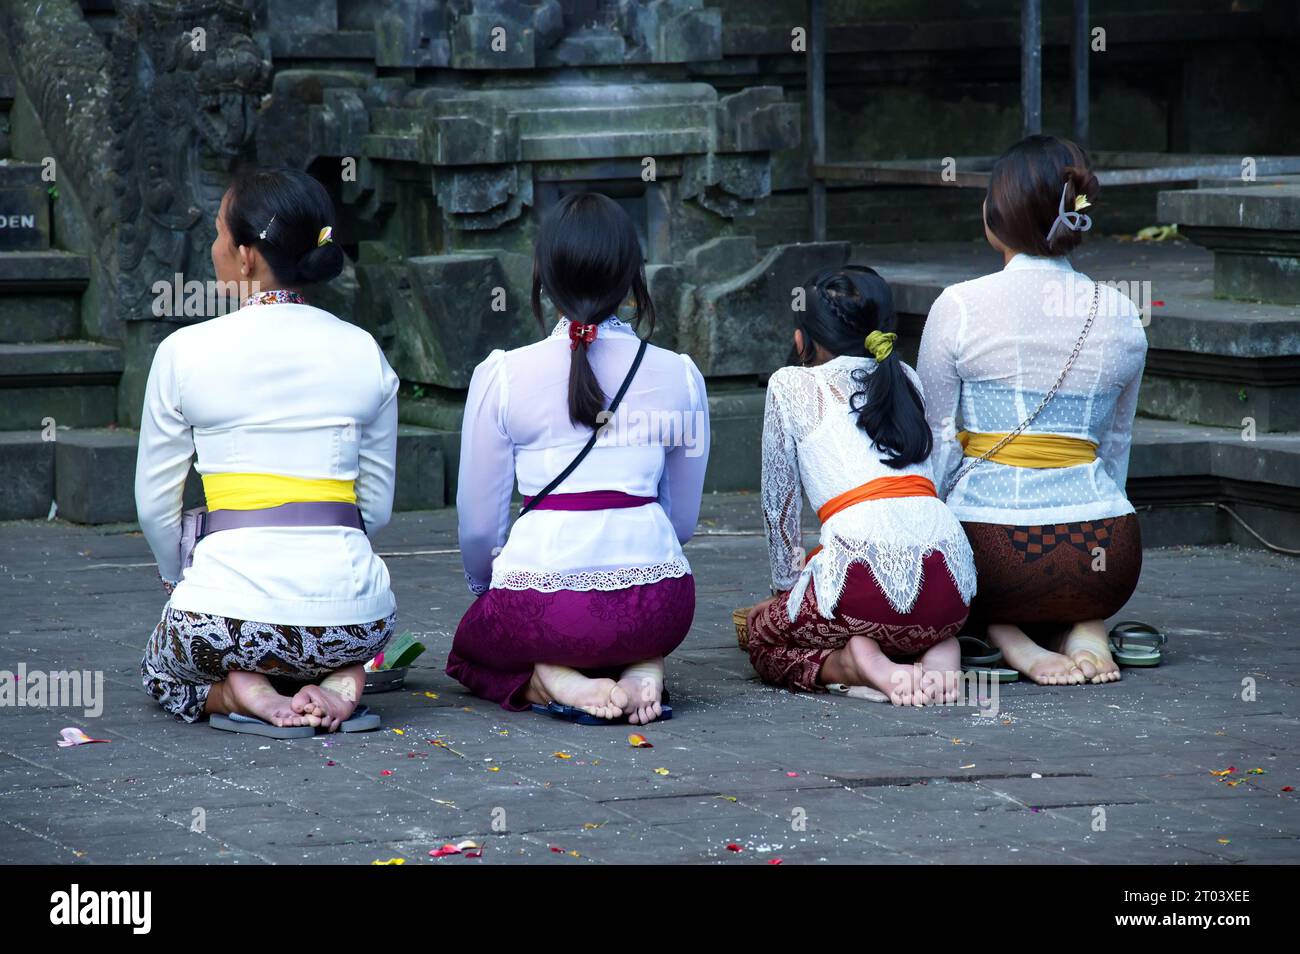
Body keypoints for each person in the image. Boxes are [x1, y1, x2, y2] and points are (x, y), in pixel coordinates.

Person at [137, 167, 399, 731]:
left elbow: (154, 506)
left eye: (217, 234)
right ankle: (343, 679)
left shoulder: (184, 353)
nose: (213, 248)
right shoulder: (364, 350)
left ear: (247, 255)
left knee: (163, 671)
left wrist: (181, 579)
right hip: (356, 618)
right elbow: (374, 507)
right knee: (348, 638)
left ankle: (239, 691)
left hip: (223, 618)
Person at [446, 192, 708, 725]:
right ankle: (642, 663)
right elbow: (680, 520)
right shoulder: (681, 374)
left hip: (544, 609)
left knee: (472, 648)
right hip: (659, 605)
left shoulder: (502, 375)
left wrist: (490, 589)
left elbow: (480, 529)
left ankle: (550, 677)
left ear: (542, 273)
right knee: (619, 625)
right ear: (633, 277)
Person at [917, 135, 1148, 686]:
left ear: (996, 213)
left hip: (996, 555)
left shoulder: (960, 306)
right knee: (1067, 577)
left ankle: (1004, 634)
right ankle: (1085, 624)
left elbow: (939, 441)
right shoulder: (1122, 311)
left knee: (929, 579)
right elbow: (1115, 447)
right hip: (1107, 555)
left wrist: (934, 539)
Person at [744, 267, 976, 706]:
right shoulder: (905, 377)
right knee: (899, 617)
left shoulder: (790, 383)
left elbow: (780, 503)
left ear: (803, 340)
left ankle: (854, 663)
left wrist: (786, 594)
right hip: (950, 593)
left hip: (859, 587)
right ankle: (938, 648)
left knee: (760, 640)